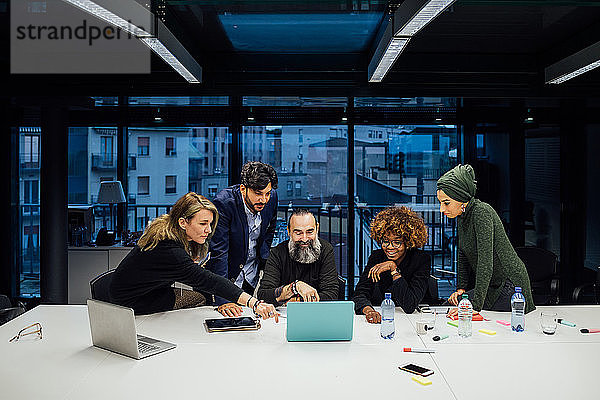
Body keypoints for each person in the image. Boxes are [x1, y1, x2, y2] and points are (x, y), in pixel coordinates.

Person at [109, 192, 278, 320]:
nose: (209, 230)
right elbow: (210, 281)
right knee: (199, 298)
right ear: (183, 222)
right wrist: (255, 303)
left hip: (144, 291)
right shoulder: (170, 250)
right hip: (132, 304)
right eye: (203, 223)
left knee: (201, 296)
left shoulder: (167, 232)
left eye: (210, 224)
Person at [437, 164, 536, 316]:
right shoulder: (462, 216)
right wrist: (461, 289)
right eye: (440, 203)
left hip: (510, 285)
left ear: (462, 198)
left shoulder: (481, 212)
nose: (441, 209)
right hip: (493, 284)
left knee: (465, 316)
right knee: (449, 309)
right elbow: (463, 253)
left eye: (446, 202)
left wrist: (475, 307)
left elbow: (486, 262)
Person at [207, 161, 279, 316]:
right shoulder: (224, 203)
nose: (264, 200)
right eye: (258, 194)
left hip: (251, 276)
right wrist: (223, 299)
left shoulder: (271, 198)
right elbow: (219, 253)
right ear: (243, 188)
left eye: (267, 193)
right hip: (227, 277)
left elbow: (269, 232)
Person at [352, 206, 431, 322]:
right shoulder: (377, 257)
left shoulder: (421, 259)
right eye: (386, 241)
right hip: (384, 317)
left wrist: (393, 269)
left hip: (416, 320)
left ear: (408, 242)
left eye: (397, 242)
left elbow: (409, 306)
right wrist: (369, 311)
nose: (389, 247)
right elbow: (359, 294)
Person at [256, 209, 339, 305]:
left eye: (309, 232)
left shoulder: (326, 250)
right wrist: (294, 287)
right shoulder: (277, 253)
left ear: (317, 228)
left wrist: (298, 301)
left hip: (317, 314)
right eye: (298, 233)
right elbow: (263, 294)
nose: (304, 239)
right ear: (289, 231)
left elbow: (332, 294)